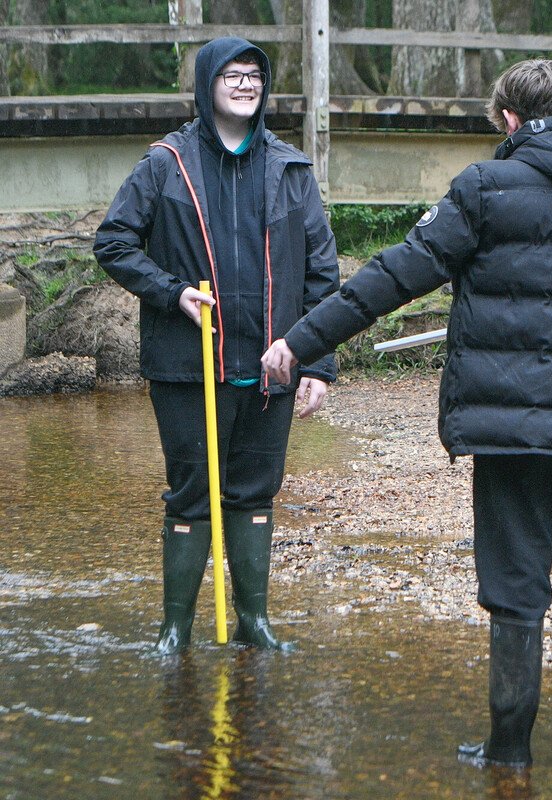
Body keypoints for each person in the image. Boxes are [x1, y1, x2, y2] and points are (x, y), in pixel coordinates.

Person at [262, 58, 552, 767]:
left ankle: (509, 748)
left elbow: (393, 276)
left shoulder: (486, 188)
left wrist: (299, 343)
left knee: (517, 579)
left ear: (509, 121)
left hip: (511, 425)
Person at [94, 37, 339, 655]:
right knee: (192, 491)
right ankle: (174, 628)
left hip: (270, 364)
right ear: (207, 85)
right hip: (187, 365)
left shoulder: (291, 170)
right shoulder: (165, 164)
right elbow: (114, 243)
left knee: (254, 490)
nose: (245, 84)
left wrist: (318, 362)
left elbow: (321, 274)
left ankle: (254, 621)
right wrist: (172, 292)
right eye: (232, 75)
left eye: (255, 75)